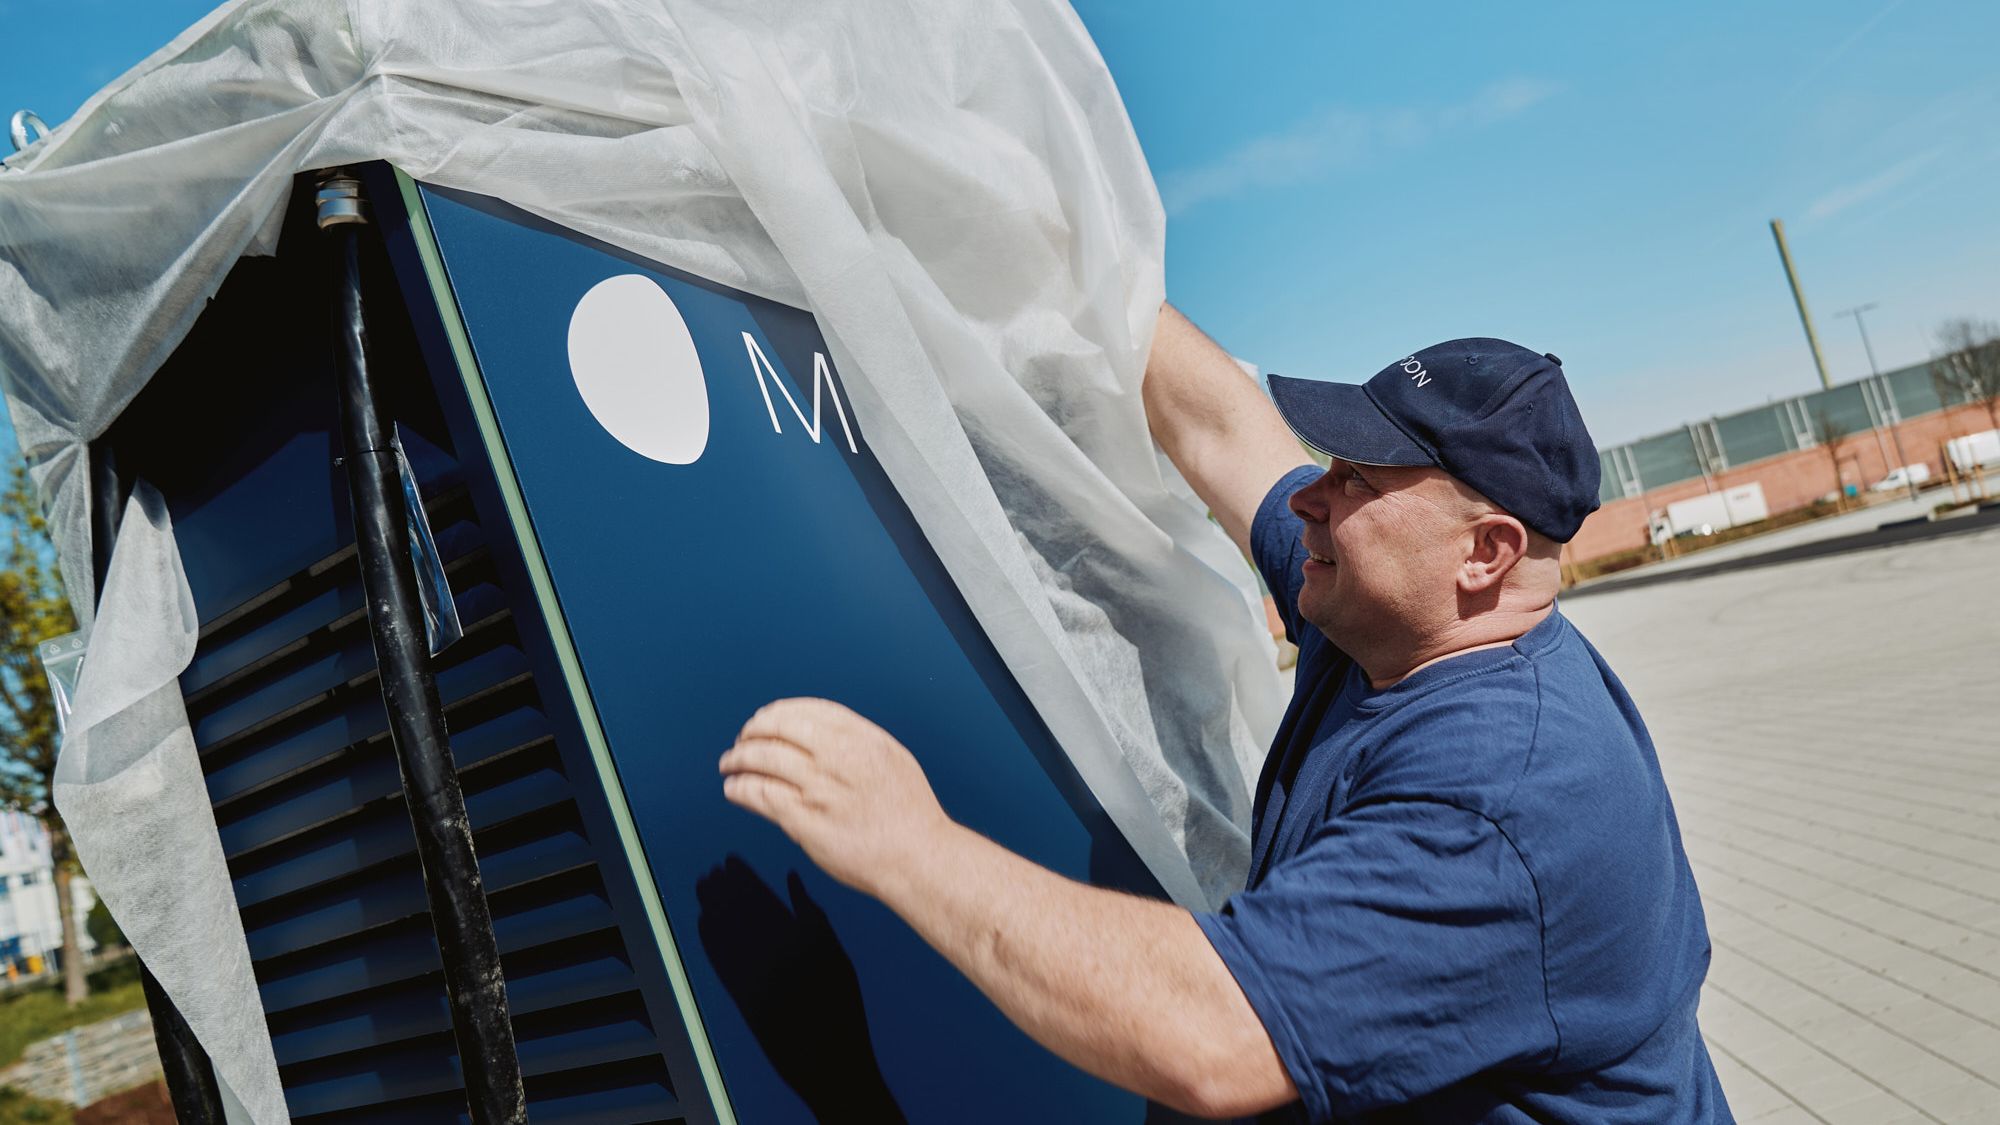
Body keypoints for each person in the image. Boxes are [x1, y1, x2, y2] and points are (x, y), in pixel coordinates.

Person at [718, 305, 1731, 1122]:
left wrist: (907, 844)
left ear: (1485, 554)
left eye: (1356, 479)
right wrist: (1046, 237)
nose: (1309, 499)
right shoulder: (1384, 615)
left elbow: (1212, 1038)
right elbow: (1220, 426)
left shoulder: (1504, 798)